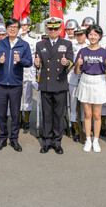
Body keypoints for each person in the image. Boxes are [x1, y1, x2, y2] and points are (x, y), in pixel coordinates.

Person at [0, 18, 32, 152]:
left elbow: (29, 62)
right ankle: (2, 138)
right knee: (1, 114)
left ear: (19, 29)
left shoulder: (24, 45)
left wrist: (21, 60)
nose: (12, 29)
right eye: (10, 27)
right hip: (1, 84)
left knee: (15, 114)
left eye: (15, 27)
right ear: (6, 29)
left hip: (16, 84)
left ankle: (14, 139)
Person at [34, 18, 74, 154]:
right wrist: (37, 63)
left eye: (55, 29)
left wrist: (66, 62)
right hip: (46, 84)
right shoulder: (40, 44)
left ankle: (57, 142)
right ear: (47, 30)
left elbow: (71, 62)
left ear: (59, 30)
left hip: (60, 83)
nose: (52, 31)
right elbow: (38, 64)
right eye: (50, 29)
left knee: (58, 115)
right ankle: (46, 142)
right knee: (47, 114)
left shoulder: (67, 43)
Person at [74, 24, 106, 153]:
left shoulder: (104, 52)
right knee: (87, 114)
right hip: (86, 80)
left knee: (97, 114)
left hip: (99, 81)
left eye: (95, 34)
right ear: (87, 35)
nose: (93, 37)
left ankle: (96, 140)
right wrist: (78, 65)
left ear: (99, 36)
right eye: (90, 34)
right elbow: (75, 71)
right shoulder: (82, 51)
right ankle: (88, 139)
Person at [69, 26, 89, 142]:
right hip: (73, 78)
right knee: (73, 105)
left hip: (86, 79)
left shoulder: (89, 46)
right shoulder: (71, 46)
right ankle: (75, 129)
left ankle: (84, 129)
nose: (79, 37)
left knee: (84, 107)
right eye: (77, 34)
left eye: (81, 34)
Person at [19, 16, 37, 130]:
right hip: (17, 71)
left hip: (28, 71)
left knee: (28, 96)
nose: (23, 27)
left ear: (29, 26)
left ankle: (26, 119)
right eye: (21, 25)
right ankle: (19, 118)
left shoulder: (32, 41)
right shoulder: (15, 38)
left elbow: (35, 57)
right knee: (18, 96)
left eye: (25, 25)